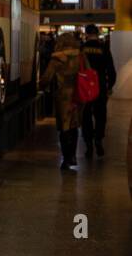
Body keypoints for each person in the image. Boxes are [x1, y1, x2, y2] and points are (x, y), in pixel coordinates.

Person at [40, 30, 83, 171]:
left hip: (62, 96)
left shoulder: (56, 59)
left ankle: (66, 159)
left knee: (64, 127)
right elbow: (87, 71)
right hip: (78, 94)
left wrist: (41, 86)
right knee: (74, 126)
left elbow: (46, 78)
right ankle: (73, 156)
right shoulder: (80, 56)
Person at [80, 24, 117, 158]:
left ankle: (88, 144)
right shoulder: (104, 48)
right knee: (100, 114)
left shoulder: (82, 48)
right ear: (97, 33)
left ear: (86, 34)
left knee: (86, 115)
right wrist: (109, 86)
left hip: (85, 88)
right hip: (100, 86)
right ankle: (98, 140)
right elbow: (111, 69)